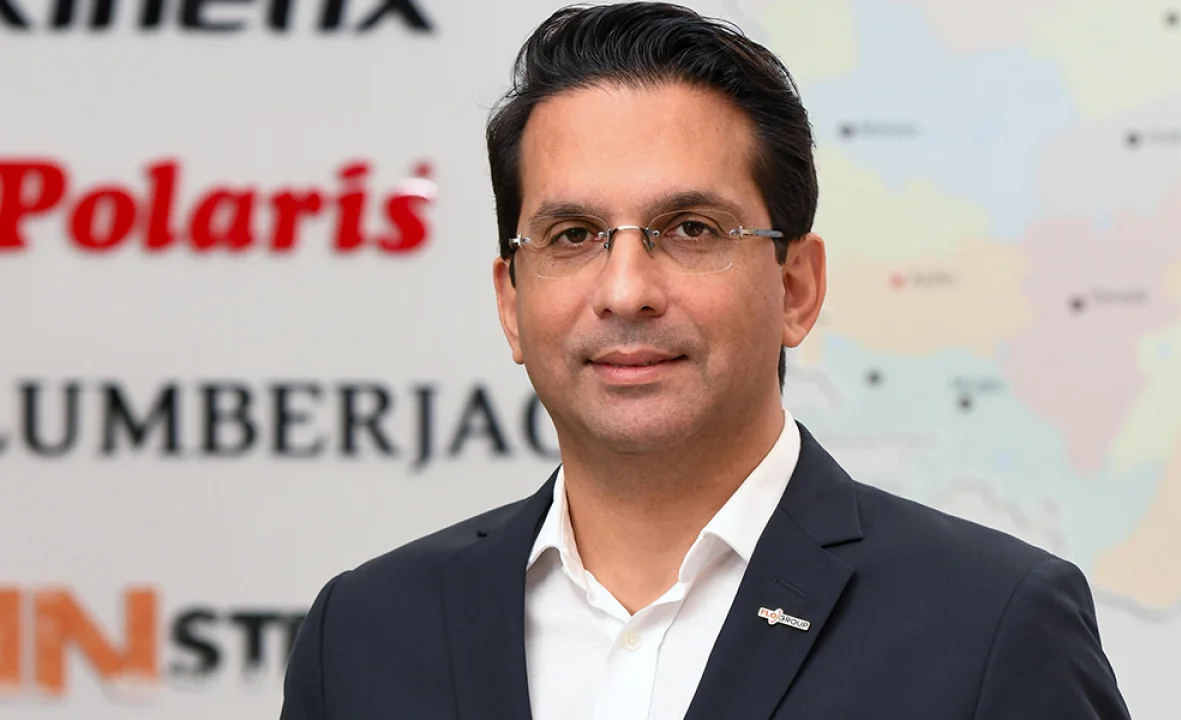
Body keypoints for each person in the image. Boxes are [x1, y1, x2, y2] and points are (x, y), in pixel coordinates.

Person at [279, 3, 1131, 718]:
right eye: (572, 235)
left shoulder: (990, 626)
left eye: (690, 229)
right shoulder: (364, 635)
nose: (625, 291)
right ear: (511, 304)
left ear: (795, 287)